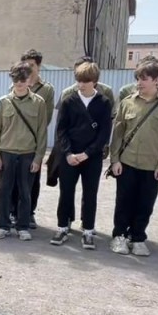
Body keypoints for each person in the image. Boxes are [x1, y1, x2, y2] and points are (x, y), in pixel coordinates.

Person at [108, 61, 158, 256]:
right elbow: (118, 134)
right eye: (138, 79)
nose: (139, 83)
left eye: (144, 79)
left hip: (152, 165)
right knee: (123, 202)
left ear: (157, 80)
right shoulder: (127, 102)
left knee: (145, 204)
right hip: (127, 162)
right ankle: (119, 236)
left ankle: (138, 237)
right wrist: (115, 160)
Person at [50, 61, 113, 248]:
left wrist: (87, 153)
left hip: (92, 157)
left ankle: (88, 230)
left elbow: (104, 133)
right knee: (66, 192)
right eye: (79, 80)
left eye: (85, 81)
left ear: (95, 81)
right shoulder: (69, 101)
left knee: (90, 194)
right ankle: (62, 227)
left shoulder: (104, 102)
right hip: (69, 156)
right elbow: (61, 130)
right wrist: (68, 153)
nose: (81, 84)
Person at [0, 62, 47, 240]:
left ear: (29, 80)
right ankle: (3, 225)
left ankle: (23, 226)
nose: (19, 83)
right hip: (7, 153)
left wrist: (38, 158)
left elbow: (42, 132)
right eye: (16, 80)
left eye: (23, 79)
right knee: (4, 191)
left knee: (25, 192)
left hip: (28, 154)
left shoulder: (38, 103)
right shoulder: (3, 102)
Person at [9, 49, 55, 229]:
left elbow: (46, 118)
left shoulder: (47, 90)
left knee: (32, 180)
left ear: (39, 66)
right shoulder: (15, 85)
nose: (29, 67)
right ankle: (13, 211)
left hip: (34, 142)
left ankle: (29, 213)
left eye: (32, 65)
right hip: (15, 141)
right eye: (26, 64)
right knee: (14, 180)